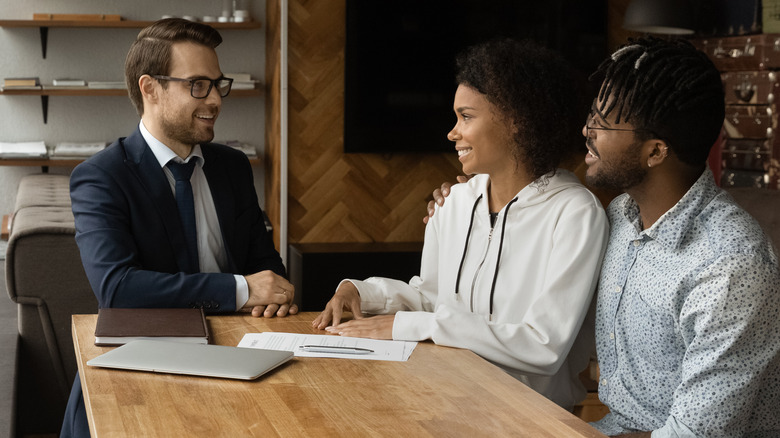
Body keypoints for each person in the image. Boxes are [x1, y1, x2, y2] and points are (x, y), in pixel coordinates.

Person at [430, 37, 780, 437]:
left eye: (602, 122)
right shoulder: (622, 217)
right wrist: (463, 204)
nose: (585, 130)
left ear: (655, 151)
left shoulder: (731, 267)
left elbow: (695, 434)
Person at [313, 38, 609, 410]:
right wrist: (361, 293)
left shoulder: (576, 215)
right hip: (446, 399)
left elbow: (543, 346)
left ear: (517, 120)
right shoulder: (453, 203)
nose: (453, 132)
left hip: (531, 419)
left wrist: (411, 326)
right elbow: (433, 298)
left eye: (466, 117)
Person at [61, 18, 297, 437]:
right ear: (150, 88)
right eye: (198, 85)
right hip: (139, 370)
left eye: (218, 85)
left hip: (243, 363)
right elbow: (118, 288)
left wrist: (273, 294)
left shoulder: (232, 167)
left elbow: (267, 269)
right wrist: (240, 290)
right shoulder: (101, 177)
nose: (215, 100)